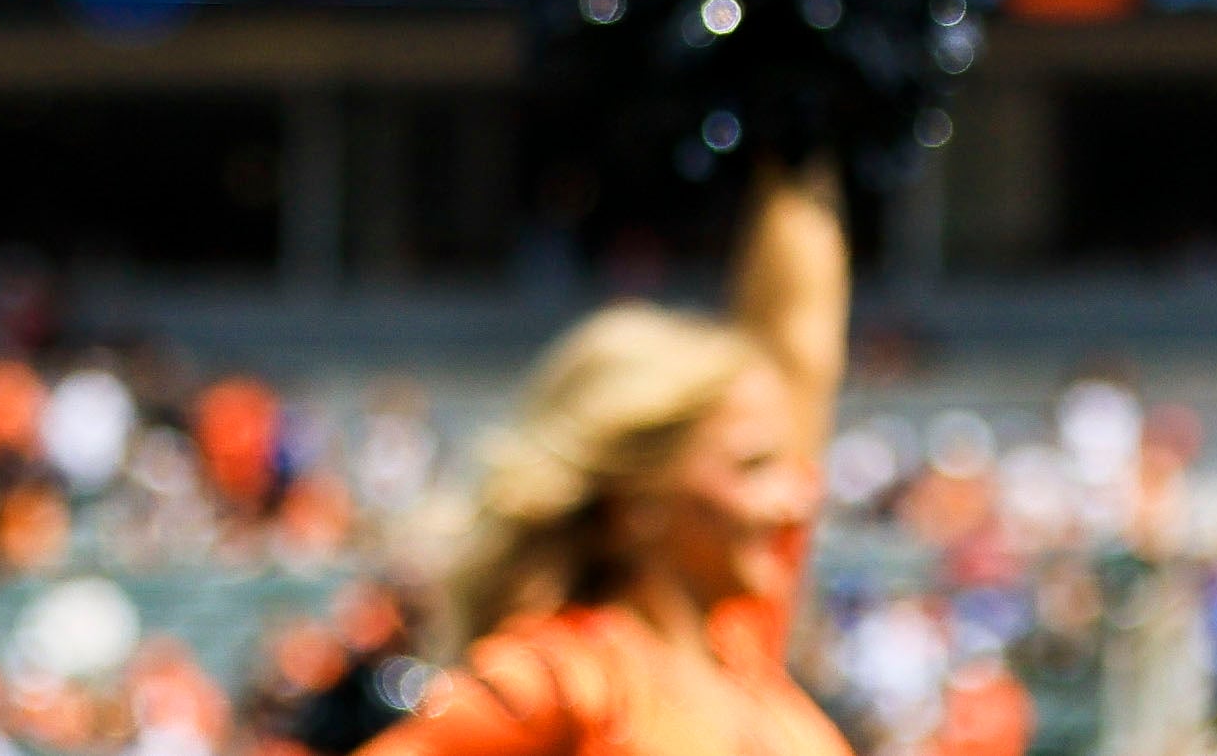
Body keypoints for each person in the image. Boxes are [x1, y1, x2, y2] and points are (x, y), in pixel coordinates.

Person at [362, 167, 851, 756]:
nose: (797, 497)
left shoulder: (741, 647)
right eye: (753, 467)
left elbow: (802, 344)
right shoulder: (555, 682)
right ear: (638, 503)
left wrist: (799, 148)